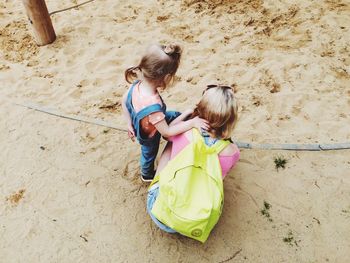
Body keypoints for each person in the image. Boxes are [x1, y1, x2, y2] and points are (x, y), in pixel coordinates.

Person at [146, 85, 240, 233]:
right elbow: (220, 177)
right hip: (196, 221)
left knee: (170, 145)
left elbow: (168, 133)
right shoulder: (232, 152)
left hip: (160, 212)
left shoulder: (186, 132)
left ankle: (158, 181)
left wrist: (187, 114)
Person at [122, 44, 209, 182]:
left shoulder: (137, 85)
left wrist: (129, 123)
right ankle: (146, 174)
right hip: (149, 133)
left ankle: (183, 123)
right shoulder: (153, 105)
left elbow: (125, 102)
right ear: (167, 77)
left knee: (173, 115)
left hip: (143, 119)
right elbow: (166, 132)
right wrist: (192, 123)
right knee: (148, 153)